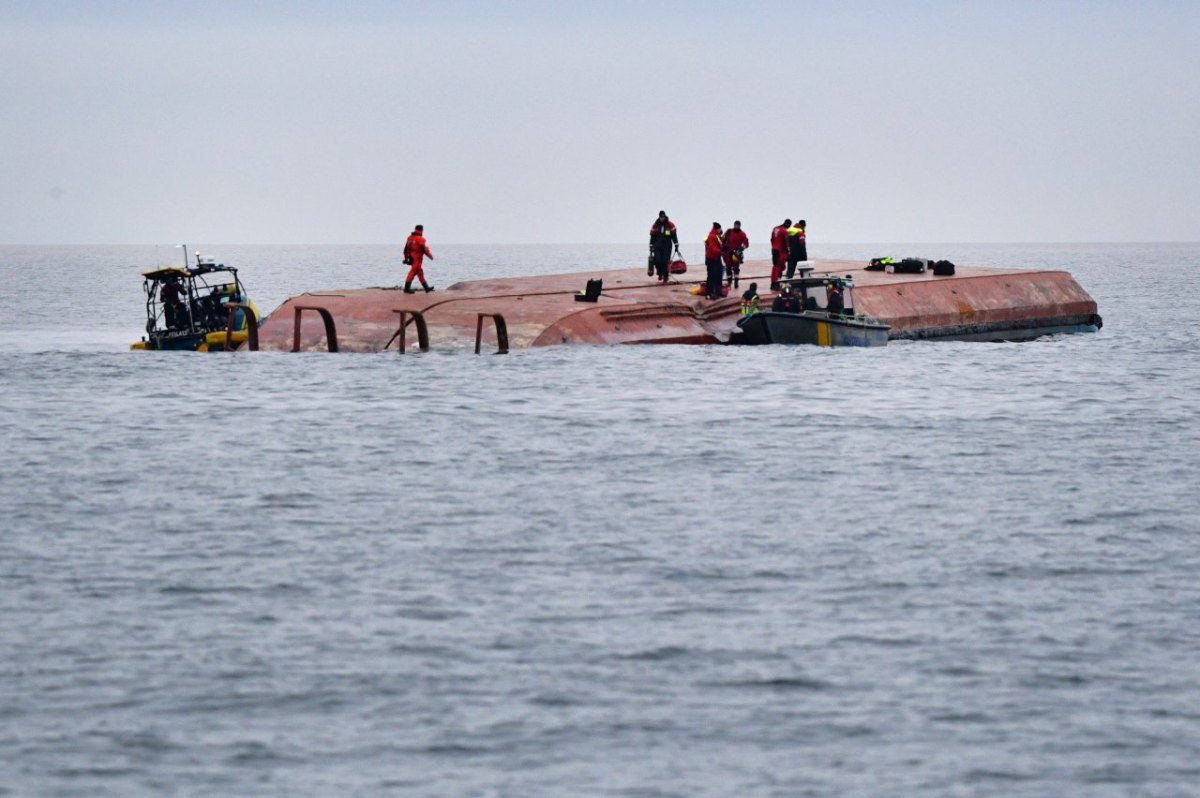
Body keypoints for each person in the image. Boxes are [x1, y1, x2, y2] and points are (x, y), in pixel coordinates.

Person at [648, 211, 679, 283]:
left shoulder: (670, 225)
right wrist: (651, 245)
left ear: (665, 217)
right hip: (657, 246)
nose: (662, 218)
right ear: (659, 217)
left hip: (667, 246)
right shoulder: (655, 225)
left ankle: (665, 276)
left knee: (665, 261)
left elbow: (674, 235)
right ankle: (659, 273)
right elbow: (652, 236)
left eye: (663, 217)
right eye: (661, 217)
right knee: (657, 260)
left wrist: (676, 244)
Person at [403, 225, 435, 293]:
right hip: (417, 259)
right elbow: (423, 249)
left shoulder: (410, 238)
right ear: (422, 230)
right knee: (412, 273)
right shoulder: (420, 239)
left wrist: (406, 258)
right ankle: (406, 289)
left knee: (420, 273)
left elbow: (405, 249)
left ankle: (426, 288)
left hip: (412, 258)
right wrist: (430, 256)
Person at [723, 220, 749, 288]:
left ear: (740, 226)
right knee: (728, 268)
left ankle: (736, 282)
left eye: (738, 225)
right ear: (734, 225)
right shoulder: (729, 231)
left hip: (736, 254)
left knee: (736, 268)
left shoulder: (742, 234)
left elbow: (746, 243)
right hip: (728, 253)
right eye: (735, 225)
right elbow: (723, 240)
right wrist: (722, 249)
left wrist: (741, 248)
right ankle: (729, 282)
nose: (736, 226)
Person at [770, 218, 792, 290]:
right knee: (779, 268)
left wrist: (773, 246)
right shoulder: (784, 231)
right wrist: (789, 253)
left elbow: (771, 239)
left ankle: (773, 283)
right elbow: (787, 243)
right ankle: (776, 283)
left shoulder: (775, 228)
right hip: (780, 252)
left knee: (775, 267)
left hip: (774, 250)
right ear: (788, 225)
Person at [704, 222, 724, 299]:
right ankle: (709, 292)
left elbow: (719, 245)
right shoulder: (712, 236)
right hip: (712, 259)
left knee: (719, 275)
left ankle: (718, 292)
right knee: (712, 276)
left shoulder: (716, 236)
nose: (721, 230)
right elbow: (712, 248)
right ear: (717, 229)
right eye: (720, 228)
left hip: (717, 258)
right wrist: (720, 252)